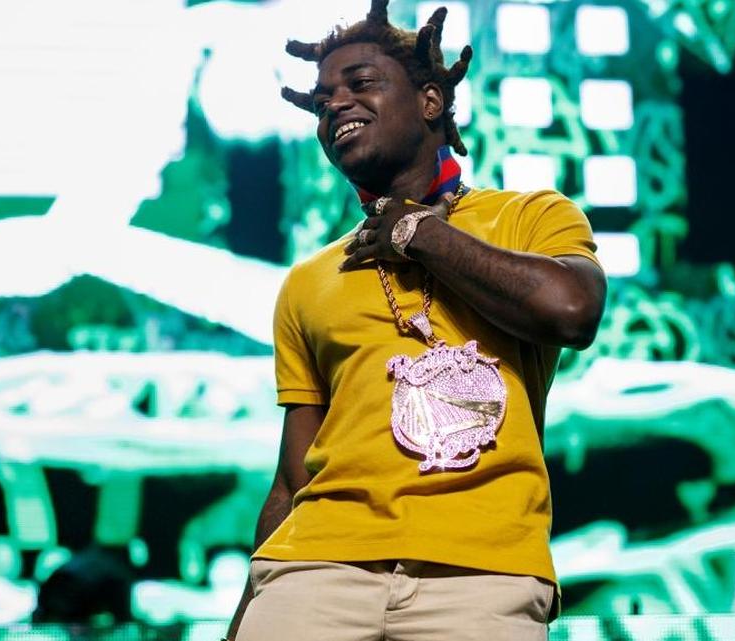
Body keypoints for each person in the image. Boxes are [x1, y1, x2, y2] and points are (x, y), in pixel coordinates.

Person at [225, 2, 607, 639]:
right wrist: (245, 615)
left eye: (360, 83)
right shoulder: (308, 281)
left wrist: (419, 234)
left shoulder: (530, 217)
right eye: (321, 102)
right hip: (313, 569)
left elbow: (572, 311)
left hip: (481, 570)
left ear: (431, 100)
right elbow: (293, 479)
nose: (336, 105)